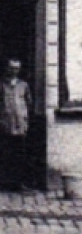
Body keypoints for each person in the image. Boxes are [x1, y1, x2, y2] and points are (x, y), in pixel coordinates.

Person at [1, 60, 31, 192]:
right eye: (11, 68)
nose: (14, 71)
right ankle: (5, 182)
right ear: (7, 68)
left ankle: (19, 183)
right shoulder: (2, 85)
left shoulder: (23, 85)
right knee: (5, 154)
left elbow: (28, 102)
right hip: (5, 125)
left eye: (17, 68)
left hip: (20, 126)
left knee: (20, 154)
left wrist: (25, 119)